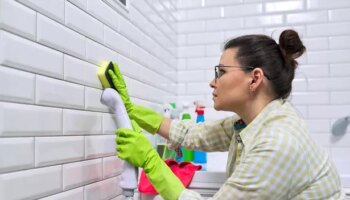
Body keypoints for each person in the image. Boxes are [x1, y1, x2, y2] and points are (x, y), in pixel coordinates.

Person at [109, 29, 343, 200]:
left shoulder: (277, 142)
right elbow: (195, 133)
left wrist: (151, 161)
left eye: (220, 72)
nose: (213, 82)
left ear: (255, 78)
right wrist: (131, 110)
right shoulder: (251, 123)